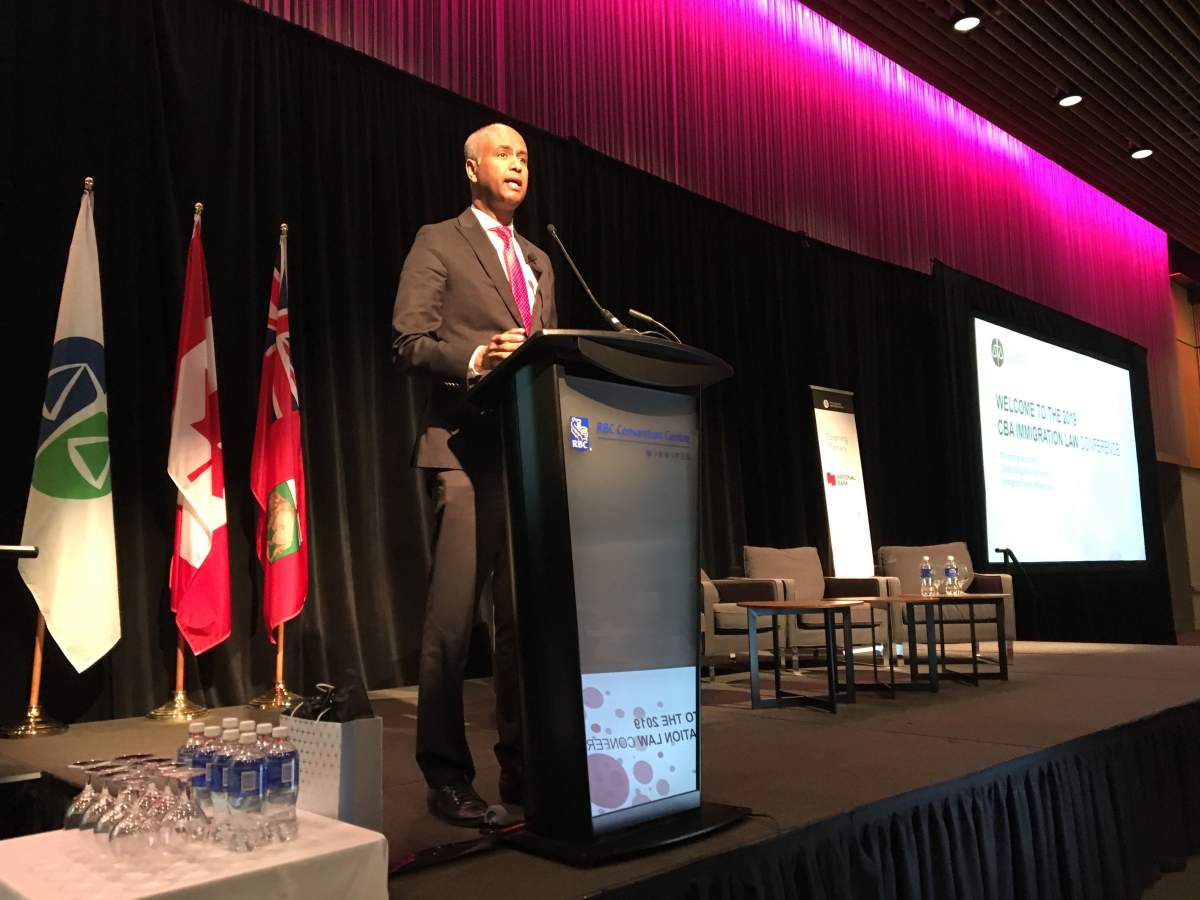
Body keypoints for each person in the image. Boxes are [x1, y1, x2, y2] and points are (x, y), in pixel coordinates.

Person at [392, 123, 556, 826]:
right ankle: (447, 776)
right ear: (470, 167)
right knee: (453, 627)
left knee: (522, 625)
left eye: (524, 156)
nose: (517, 164)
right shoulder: (440, 241)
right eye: (503, 154)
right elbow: (409, 341)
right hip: (462, 452)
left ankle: (523, 767)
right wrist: (476, 358)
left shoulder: (539, 260)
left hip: (525, 457)